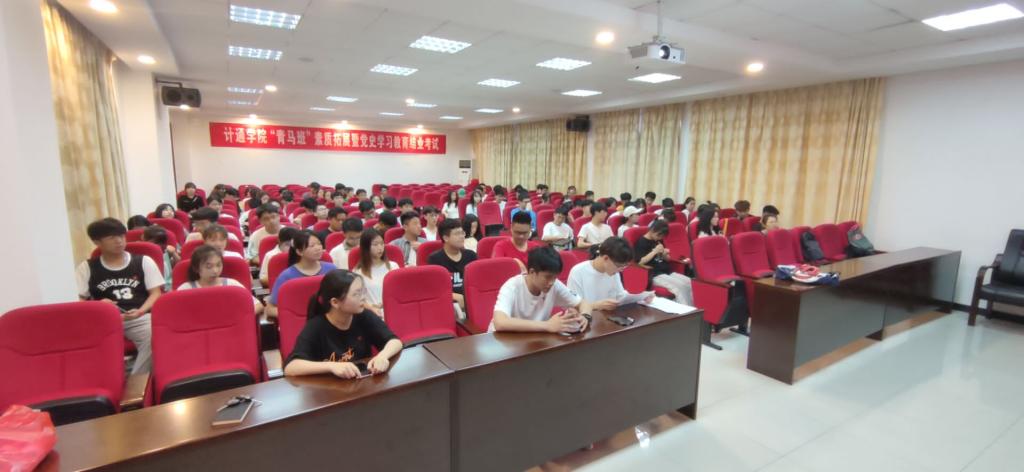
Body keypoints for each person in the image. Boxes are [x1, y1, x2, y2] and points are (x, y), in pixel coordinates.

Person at [76, 218, 162, 374]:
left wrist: (141, 311)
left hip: (138, 317)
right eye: (112, 238)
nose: (119, 241)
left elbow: (156, 293)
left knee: (155, 336)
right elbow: (79, 300)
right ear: (97, 242)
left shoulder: (143, 261)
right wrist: (98, 306)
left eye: (122, 236)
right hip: (103, 319)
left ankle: (137, 381)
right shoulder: (87, 267)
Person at [283, 270, 403, 378]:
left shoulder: (364, 316)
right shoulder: (315, 327)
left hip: (362, 383)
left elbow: (394, 341)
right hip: (329, 389)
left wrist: (382, 356)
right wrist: (332, 366)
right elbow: (291, 367)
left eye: (363, 291)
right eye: (356, 294)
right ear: (335, 302)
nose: (363, 298)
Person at [490, 246, 593, 333]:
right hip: (502, 341)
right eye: (548, 277)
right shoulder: (512, 286)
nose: (552, 282)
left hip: (534, 339)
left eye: (555, 277)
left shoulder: (554, 284)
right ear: (532, 272)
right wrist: (547, 325)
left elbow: (583, 303)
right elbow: (500, 322)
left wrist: (585, 316)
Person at [568, 237, 651, 311]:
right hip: (587, 318)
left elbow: (620, 295)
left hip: (608, 316)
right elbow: (573, 306)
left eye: (624, 266)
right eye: (619, 266)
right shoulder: (578, 272)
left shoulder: (613, 271)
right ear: (606, 258)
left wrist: (640, 297)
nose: (620, 270)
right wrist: (596, 305)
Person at [178, 245, 263, 315]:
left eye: (218, 265)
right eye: (209, 266)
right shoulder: (185, 289)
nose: (215, 271)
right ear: (196, 268)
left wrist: (240, 317)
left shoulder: (232, 285)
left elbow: (257, 305)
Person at [267, 231, 335, 317]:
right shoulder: (287, 276)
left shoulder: (331, 269)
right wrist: (290, 316)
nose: (318, 248)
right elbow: (270, 309)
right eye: (312, 246)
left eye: (319, 244)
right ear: (299, 251)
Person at [634, 221, 694, 304]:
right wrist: (654, 252)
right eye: (659, 235)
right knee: (679, 287)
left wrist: (664, 254)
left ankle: (695, 307)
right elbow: (640, 262)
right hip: (655, 274)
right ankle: (686, 310)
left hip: (667, 271)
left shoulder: (658, 240)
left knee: (690, 283)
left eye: (662, 236)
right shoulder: (642, 242)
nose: (660, 238)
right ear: (652, 230)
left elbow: (668, 259)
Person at [427, 218, 477, 315]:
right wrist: (453, 296)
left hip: (472, 303)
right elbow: (434, 289)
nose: (462, 236)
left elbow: (478, 283)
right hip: (447, 306)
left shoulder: (471, 255)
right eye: (457, 234)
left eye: (462, 233)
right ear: (446, 238)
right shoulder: (435, 259)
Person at [354, 229, 398, 318]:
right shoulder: (357, 272)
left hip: (393, 311)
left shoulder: (393, 266)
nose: (380, 248)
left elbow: (399, 292)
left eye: (382, 243)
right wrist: (371, 308)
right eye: (375, 244)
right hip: (370, 314)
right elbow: (357, 298)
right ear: (366, 247)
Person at [140, 225, 177, 290]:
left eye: (160, 243)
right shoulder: (139, 250)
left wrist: (174, 253)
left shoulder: (165, 251)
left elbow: (178, 265)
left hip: (166, 285)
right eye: (153, 243)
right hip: (146, 285)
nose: (156, 246)